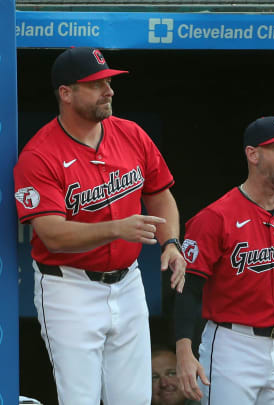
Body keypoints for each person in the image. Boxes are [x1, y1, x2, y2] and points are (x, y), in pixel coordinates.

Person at [13, 47, 186, 405]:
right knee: (81, 399)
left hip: (128, 280)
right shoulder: (39, 153)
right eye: (96, 84)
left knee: (134, 399)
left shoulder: (131, 134)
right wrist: (116, 228)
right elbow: (52, 233)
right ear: (66, 93)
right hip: (68, 287)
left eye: (109, 82)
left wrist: (171, 242)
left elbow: (160, 194)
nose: (109, 90)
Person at [174, 116, 274, 405]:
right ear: (253, 154)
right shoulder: (215, 217)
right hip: (232, 346)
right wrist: (184, 352)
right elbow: (189, 289)